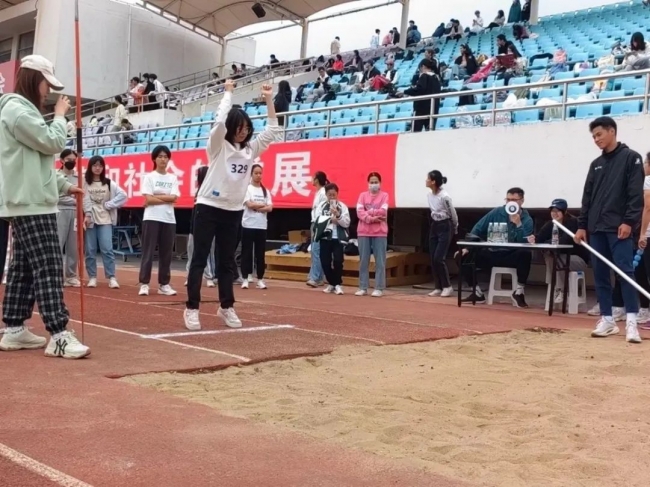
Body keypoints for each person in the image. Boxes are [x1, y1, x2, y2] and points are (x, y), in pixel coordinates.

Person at [0, 55, 89, 358]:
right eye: (46, 83)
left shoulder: (19, 111)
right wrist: (61, 116)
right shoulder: (17, 110)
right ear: (32, 79)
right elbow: (52, 143)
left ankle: (14, 328)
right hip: (31, 202)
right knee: (49, 265)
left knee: (23, 267)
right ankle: (59, 334)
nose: (48, 91)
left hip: (29, 199)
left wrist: (63, 185)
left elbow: (36, 161)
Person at [184, 80, 281, 331]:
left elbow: (272, 129)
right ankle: (192, 308)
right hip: (208, 207)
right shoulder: (218, 146)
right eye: (239, 128)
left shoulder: (251, 149)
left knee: (227, 261)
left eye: (246, 128)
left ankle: (226, 306)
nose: (243, 132)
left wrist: (268, 99)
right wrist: (228, 93)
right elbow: (219, 122)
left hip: (233, 211)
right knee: (199, 259)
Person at [575, 117, 644, 343]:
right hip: (596, 228)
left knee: (625, 272)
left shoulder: (631, 158)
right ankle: (607, 319)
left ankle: (632, 321)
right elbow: (587, 197)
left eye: (599, 134)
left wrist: (629, 222)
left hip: (619, 228)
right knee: (600, 273)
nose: (596, 139)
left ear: (612, 131)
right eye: (593, 136)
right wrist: (582, 225)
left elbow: (635, 195)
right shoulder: (595, 164)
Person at [459, 187, 533, 307]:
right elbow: (478, 228)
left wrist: (518, 224)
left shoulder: (527, 219)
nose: (510, 203)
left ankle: (519, 292)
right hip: (492, 252)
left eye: (514, 200)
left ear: (522, 201)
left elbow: (524, 242)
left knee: (526, 253)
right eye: (508, 199)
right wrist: (467, 247)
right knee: (462, 255)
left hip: (511, 255)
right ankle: (476, 292)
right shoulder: (497, 212)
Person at [528, 199, 590, 304]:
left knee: (556, 258)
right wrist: (534, 238)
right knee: (549, 254)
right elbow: (540, 238)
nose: (554, 213)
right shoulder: (550, 224)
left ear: (564, 212)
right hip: (559, 259)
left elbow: (564, 241)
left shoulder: (573, 222)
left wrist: (547, 242)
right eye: (553, 211)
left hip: (577, 259)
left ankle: (559, 289)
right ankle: (556, 287)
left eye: (558, 211)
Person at [138, 145, 180, 297]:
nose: (163, 159)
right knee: (148, 252)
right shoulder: (149, 177)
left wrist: (155, 198)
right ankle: (144, 283)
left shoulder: (173, 178)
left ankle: (164, 284)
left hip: (169, 219)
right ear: (154, 159)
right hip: (151, 218)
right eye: (160, 157)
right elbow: (148, 199)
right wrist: (166, 199)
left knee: (166, 253)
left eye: (165, 157)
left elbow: (174, 197)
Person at [82, 155, 127, 289]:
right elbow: (84, 199)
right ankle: (92, 277)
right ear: (90, 167)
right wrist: (87, 214)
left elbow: (123, 195)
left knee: (107, 248)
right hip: (90, 219)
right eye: (95, 165)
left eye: (100, 166)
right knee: (90, 250)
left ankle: (111, 277)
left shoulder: (108, 183)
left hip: (105, 219)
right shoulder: (85, 182)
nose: (97, 168)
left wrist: (109, 204)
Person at [355, 172, 389, 298]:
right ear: (368, 183)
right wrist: (372, 218)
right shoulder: (362, 196)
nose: (373, 184)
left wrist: (369, 211)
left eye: (376, 182)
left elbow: (383, 212)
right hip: (363, 232)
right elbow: (359, 212)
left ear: (380, 183)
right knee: (363, 260)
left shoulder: (385, 196)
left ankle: (379, 287)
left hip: (380, 233)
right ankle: (363, 287)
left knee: (380, 261)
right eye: (371, 182)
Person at [313, 183, 350, 295]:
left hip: (338, 238)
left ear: (337, 194)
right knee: (325, 262)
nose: (332, 197)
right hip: (325, 237)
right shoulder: (322, 206)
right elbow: (317, 220)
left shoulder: (342, 206)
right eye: (330, 195)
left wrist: (338, 216)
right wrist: (329, 219)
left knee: (338, 261)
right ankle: (332, 283)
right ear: (326, 195)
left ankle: (337, 284)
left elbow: (347, 223)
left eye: (334, 195)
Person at [426, 170, 458, 298]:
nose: (426, 180)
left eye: (428, 178)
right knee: (433, 257)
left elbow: (452, 212)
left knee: (439, 257)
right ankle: (438, 287)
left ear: (433, 181)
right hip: (435, 225)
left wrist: (455, 226)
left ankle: (447, 286)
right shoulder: (429, 195)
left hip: (445, 225)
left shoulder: (444, 196)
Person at [241, 164, 273, 290]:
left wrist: (257, 206)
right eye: (256, 173)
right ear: (251, 174)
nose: (258, 175)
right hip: (248, 225)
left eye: (260, 173)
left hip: (261, 226)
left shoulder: (265, 191)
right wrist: (262, 205)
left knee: (260, 254)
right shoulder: (247, 189)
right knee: (246, 252)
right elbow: (249, 205)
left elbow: (270, 208)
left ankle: (260, 278)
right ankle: (245, 278)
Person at [185, 166, 216, 289]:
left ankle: (209, 277)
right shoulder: (198, 192)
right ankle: (190, 276)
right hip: (194, 228)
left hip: (209, 228)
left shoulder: (213, 191)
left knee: (208, 253)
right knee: (191, 253)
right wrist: (192, 228)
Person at [56, 149, 81, 288]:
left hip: (75, 213)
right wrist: (73, 200)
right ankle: (57, 276)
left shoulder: (79, 177)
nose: (71, 162)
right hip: (60, 211)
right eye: (68, 160)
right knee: (58, 244)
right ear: (62, 160)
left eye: (73, 160)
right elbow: (57, 197)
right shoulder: (57, 176)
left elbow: (84, 196)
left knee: (73, 246)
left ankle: (71, 276)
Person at [404, 59, 440, 132]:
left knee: (416, 131)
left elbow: (419, 89)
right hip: (433, 108)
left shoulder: (424, 76)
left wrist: (405, 91)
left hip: (421, 108)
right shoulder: (436, 77)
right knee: (430, 131)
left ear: (423, 66)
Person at [307, 171, 329, 287]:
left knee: (316, 250)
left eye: (313, 177)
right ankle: (318, 277)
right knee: (315, 251)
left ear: (317, 180)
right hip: (315, 222)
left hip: (319, 223)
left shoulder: (323, 193)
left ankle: (315, 277)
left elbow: (323, 210)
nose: (312, 179)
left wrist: (319, 225)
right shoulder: (318, 192)